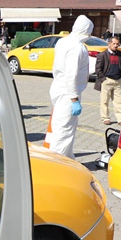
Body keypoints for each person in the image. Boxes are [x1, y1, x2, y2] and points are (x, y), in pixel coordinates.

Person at [47, 15, 94, 159]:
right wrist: (74, 99)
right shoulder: (77, 47)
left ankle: (68, 160)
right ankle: (56, 165)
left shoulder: (63, 42)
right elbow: (71, 74)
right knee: (63, 132)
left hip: (58, 87)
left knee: (60, 127)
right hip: (68, 93)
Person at [95, 36, 121, 126]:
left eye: (117, 44)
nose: (116, 45)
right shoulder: (102, 55)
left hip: (117, 81)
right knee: (104, 101)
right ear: (109, 44)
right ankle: (105, 118)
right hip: (107, 80)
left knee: (119, 102)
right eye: (114, 43)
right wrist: (103, 79)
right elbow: (98, 69)